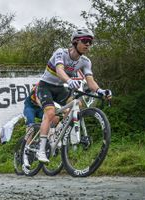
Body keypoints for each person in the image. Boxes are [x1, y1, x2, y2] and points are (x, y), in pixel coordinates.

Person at [35, 28, 112, 163]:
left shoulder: (85, 61)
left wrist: (101, 91)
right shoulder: (61, 53)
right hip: (45, 86)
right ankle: (40, 150)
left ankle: (58, 131)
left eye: (90, 42)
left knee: (77, 105)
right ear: (75, 42)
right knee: (50, 112)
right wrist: (69, 80)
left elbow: (90, 81)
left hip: (59, 89)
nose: (88, 44)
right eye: (85, 41)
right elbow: (59, 70)